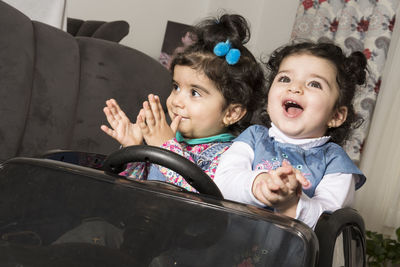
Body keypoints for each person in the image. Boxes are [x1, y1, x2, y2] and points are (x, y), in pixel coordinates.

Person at [101, 13, 266, 192]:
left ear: (231, 113)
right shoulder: (161, 139)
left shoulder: (232, 157)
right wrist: (132, 148)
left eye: (195, 93)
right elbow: (131, 192)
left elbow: (205, 203)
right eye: (176, 87)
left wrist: (167, 148)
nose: (177, 101)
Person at [214, 41, 367, 228]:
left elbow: (328, 225)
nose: (295, 88)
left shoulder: (335, 164)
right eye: (285, 79)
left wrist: (290, 204)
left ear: (336, 116)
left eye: (314, 84)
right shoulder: (252, 138)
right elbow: (221, 183)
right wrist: (260, 183)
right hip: (232, 247)